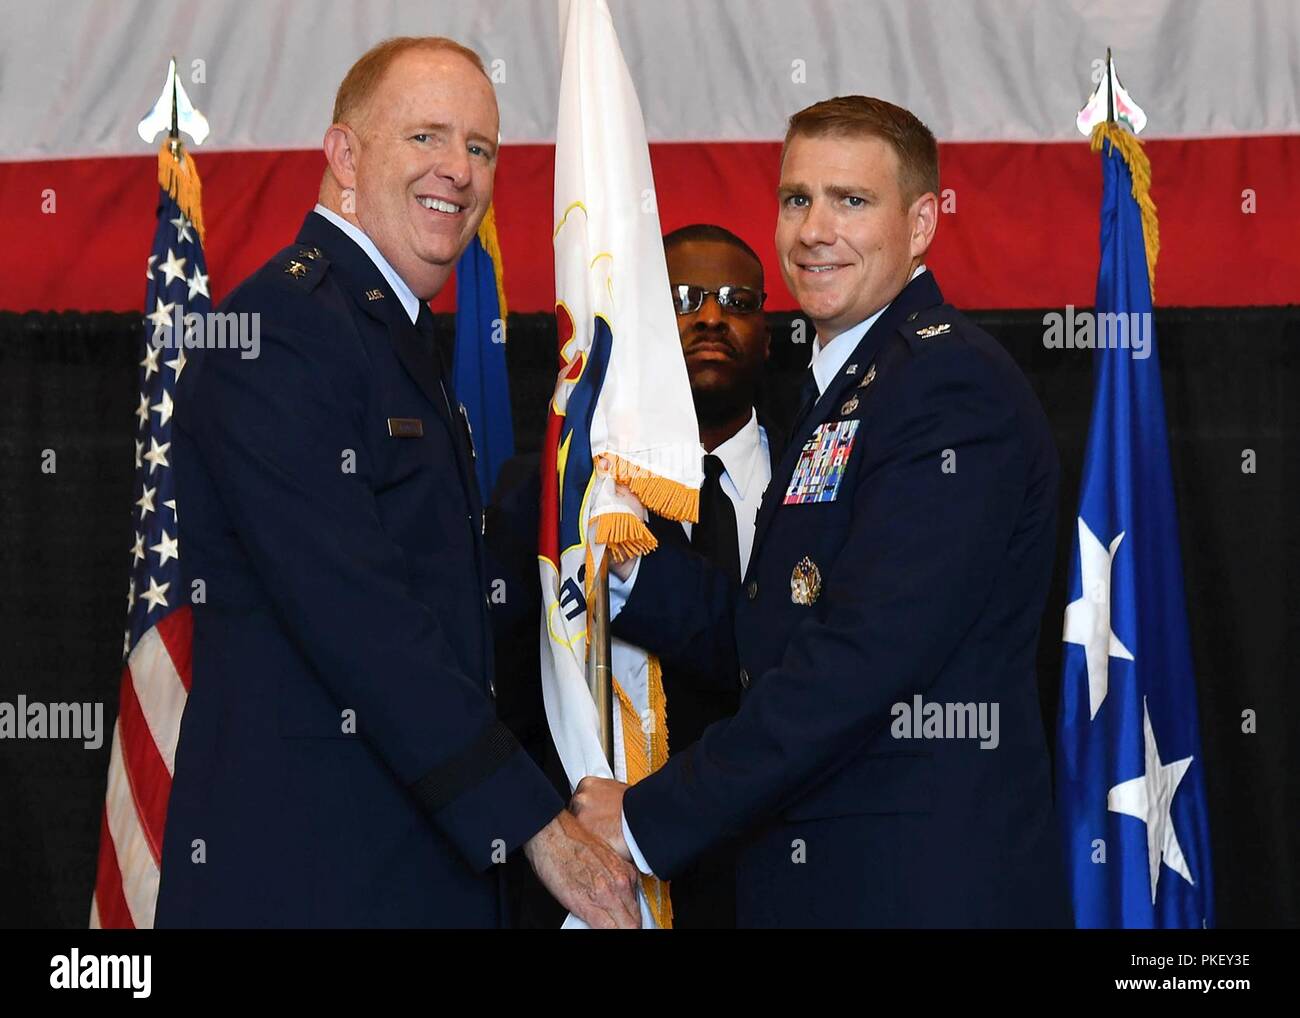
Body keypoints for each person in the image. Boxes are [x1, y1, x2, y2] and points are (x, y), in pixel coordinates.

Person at [156, 36, 638, 929]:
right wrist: (537, 823)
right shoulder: (281, 330)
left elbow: (446, 600)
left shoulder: (382, 331)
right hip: (310, 882)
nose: (457, 170)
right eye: (426, 137)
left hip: (399, 869)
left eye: (481, 147)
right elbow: (359, 616)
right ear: (345, 155)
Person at [572, 96, 1070, 927]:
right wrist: (622, 570)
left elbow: (861, 661)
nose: (814, 230)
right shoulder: (844, 384)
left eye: (852, 201)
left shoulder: (946, 386)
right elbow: (781, 626)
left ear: (920, 225)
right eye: (798, 199)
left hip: (913, 888)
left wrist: (644, 818)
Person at [653, 224, 779, 927]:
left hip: (790, 867)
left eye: (736, 300)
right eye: (682, 298)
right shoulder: (585, 492)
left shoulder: (833, 476)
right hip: (637, 871)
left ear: (767, 332)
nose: (709, 317)